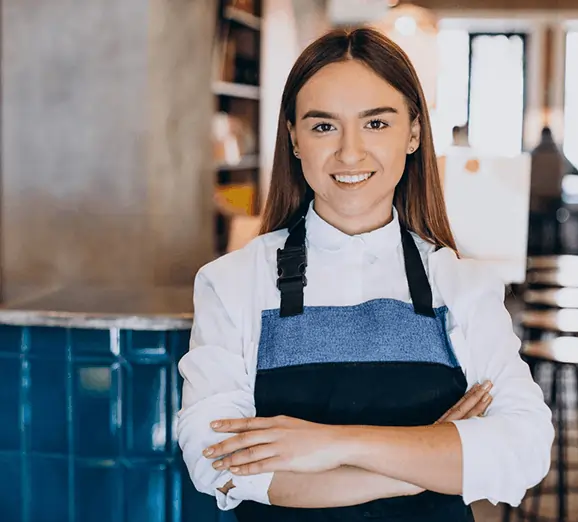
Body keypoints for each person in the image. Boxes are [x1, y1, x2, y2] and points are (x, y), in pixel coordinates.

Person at [177, 27, 554, 521]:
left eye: (376, 124)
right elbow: (218, 460)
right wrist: (424, 459)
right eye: (323, 126)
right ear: (293, 137)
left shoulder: (462, 285)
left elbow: (523, 450)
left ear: (414, 133)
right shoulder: (231, 283)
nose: (350, 153)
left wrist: (330, 444)